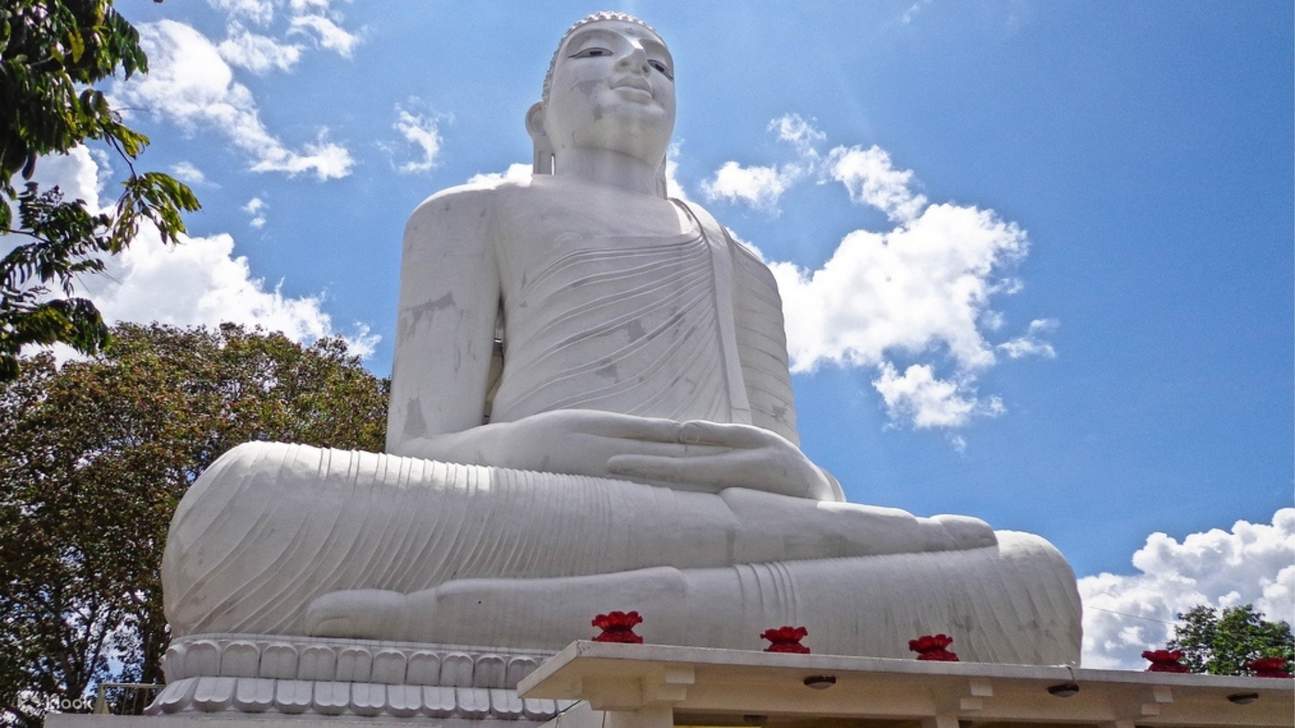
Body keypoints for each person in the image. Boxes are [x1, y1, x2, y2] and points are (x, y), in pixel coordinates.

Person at [162, 12, 1081, 665]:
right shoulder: (472, 212)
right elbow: (420, 446)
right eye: (596, 53)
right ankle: (716, 606)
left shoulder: (740, 260)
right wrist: (556, 445)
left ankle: (488, 618)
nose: (633, 66)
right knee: (254, 497)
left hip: (747, 518)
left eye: (658, 61)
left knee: (1031, 574)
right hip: (540, 506)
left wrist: (782, 477)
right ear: (540, 116)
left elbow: (809, 483)